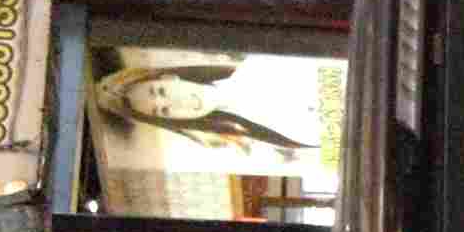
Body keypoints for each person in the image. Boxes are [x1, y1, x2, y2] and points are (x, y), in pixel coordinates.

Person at [93, 62, 313, 157]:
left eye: (160, 91)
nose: (176, 103)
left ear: (170, 78)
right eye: (164, 111)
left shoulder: (259, 66)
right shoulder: (259, 139)